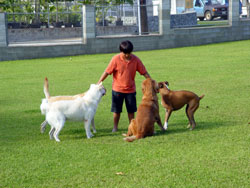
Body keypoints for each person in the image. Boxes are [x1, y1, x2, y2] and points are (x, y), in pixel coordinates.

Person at [97, 40, 151, 132]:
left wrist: (151, 82)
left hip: (130, 90)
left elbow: (144, 72)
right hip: (117, 90)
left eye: (129, 53)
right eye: (125, 53)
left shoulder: (136, 60)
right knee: (116, 111)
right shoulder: (115, 59)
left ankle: (132, 127)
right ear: (121, 51)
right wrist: (99, 83)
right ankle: (115, 127)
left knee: (131, 111)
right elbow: (107, 72)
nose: (127, 55)